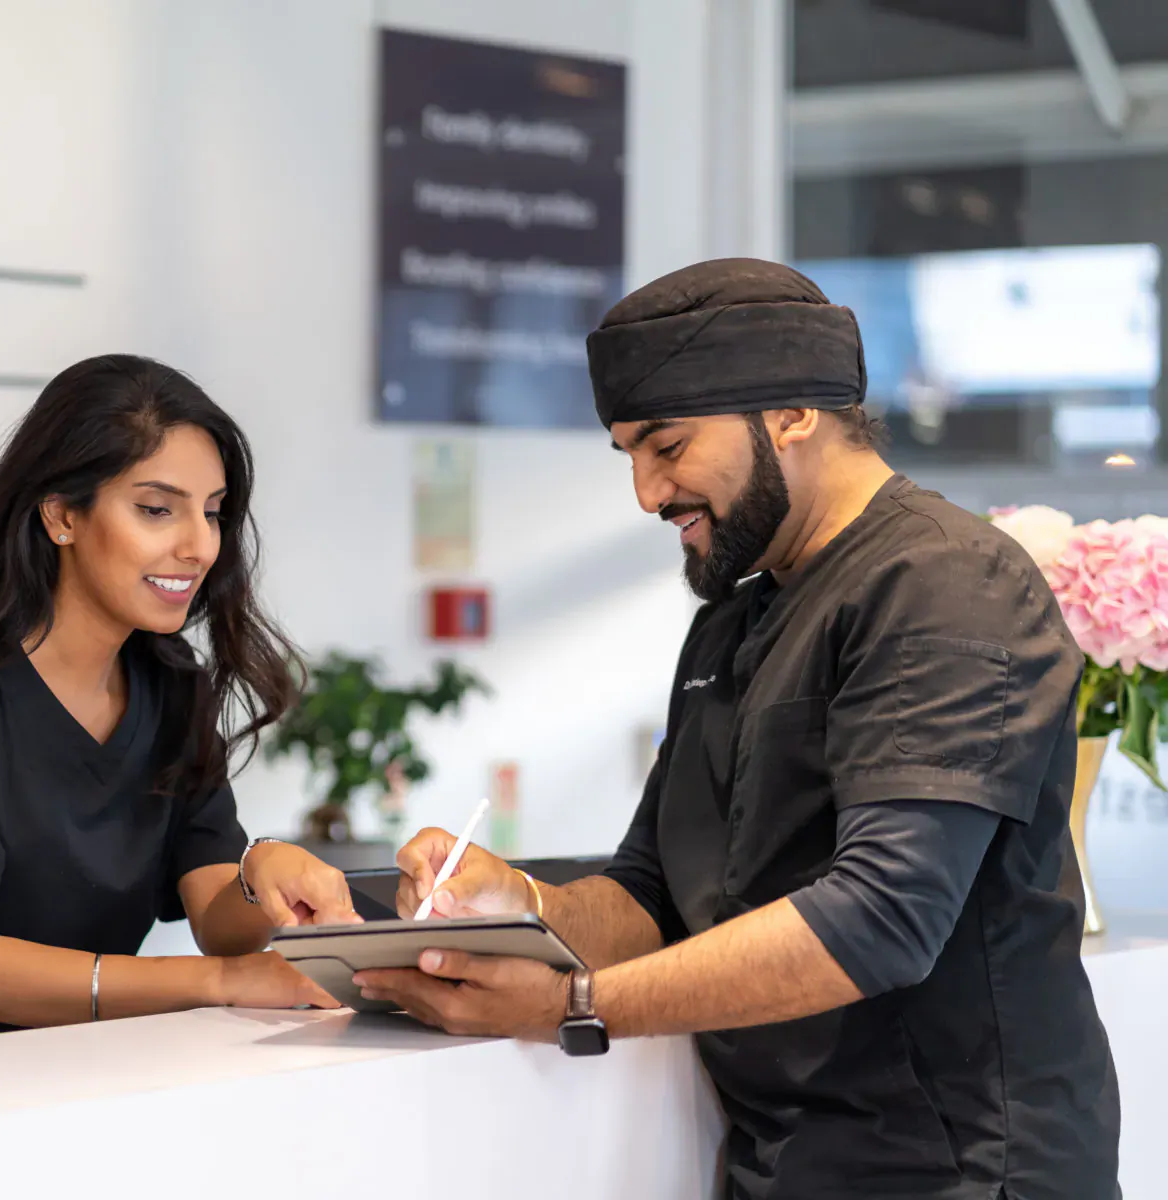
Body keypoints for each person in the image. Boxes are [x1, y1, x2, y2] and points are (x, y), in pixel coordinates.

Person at [357, 260, 1120, 1199]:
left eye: (667, 446)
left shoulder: (945, 583)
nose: (646, 492)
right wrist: (515, 905)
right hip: (779, 1168)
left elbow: (883, 918)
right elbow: (656, 894)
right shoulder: (734, 617)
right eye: (629, 454)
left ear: (794, 412)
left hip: (959, 1170)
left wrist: (569, 1004)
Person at [0, 354, 359, 1058]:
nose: (199, 546)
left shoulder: (173, 683)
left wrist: (265, 873)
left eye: (213, 513)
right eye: (156, 509)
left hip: (60, 1087)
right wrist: (221, 981)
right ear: (61, 516)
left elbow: (217, 915)